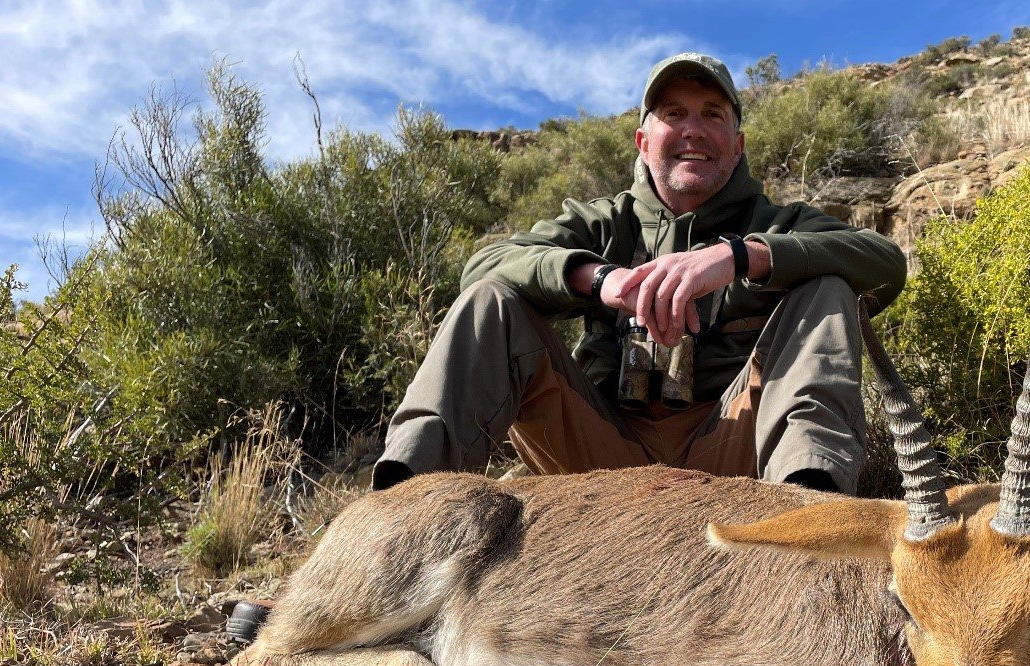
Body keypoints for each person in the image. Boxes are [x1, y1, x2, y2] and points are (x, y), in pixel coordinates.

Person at [370, 52, 908, 496]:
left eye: (713, 115)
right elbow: (483, 264)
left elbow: (883, 262)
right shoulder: (600, 221)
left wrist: (742, 257)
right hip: (599, 455)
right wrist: (597, 279)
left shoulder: (780, 222)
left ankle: (811, 512)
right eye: (674, 114)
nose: (693, 130)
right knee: (490, 300)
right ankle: (399, 509)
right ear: (643, 141)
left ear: (738, 144)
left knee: (828, 287)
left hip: (735, 451)